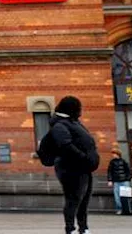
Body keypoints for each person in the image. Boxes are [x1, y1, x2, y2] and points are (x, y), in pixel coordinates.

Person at [42, 96, 100, 234]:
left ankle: (83, 227)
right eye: (78, 108)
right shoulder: (60, 125)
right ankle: (70, 228)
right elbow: (65, 145)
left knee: (83, 200)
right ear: (71, 109)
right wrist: (83, 158)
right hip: (71, 169)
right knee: (74, 199)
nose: (80, 111)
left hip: (84, 168)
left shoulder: (73, 122)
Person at [107, 149, 132, 215]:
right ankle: (119, 209)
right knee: (117, 197)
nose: (113, 155)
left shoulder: (124, 161)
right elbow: (109, 172)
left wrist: (127, 179)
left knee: (126, 196)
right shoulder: (112, 162)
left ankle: (127, 209)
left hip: (124, 181)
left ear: (117, 154)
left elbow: (128, 171)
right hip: (116, 181)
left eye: (114, 154)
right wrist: (110, 180)